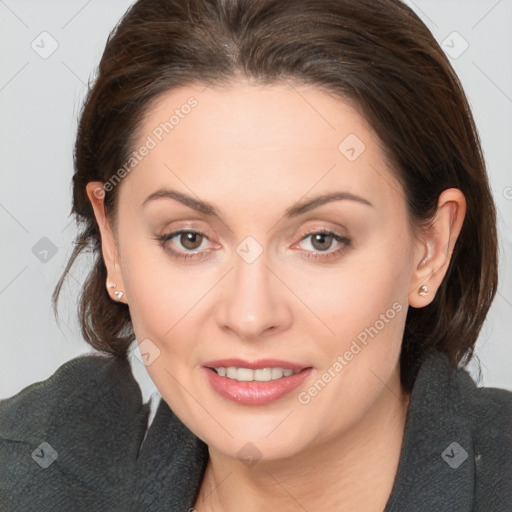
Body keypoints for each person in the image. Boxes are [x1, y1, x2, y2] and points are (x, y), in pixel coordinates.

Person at [1, 0, 511, 510]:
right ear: (112, 243)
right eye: (189, 238)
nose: (250, 315)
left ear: (431, 247)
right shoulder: (28, 475)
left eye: (321, 239)